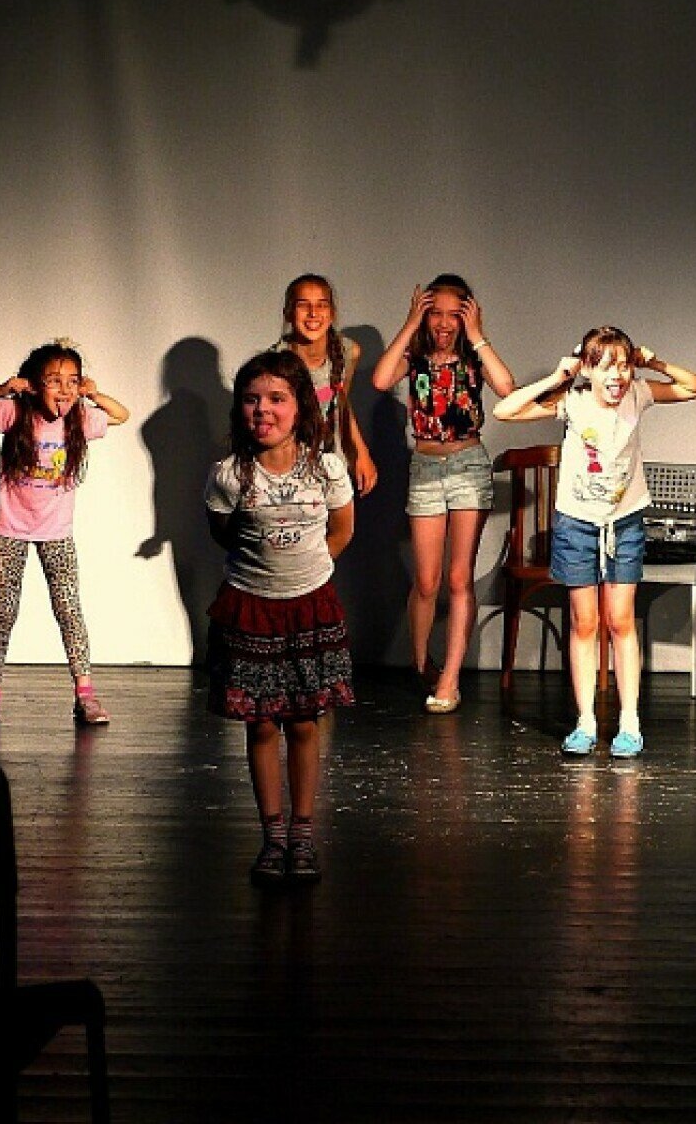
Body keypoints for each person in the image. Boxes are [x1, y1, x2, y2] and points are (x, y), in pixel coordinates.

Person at [493, 327, 696, 757]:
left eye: (623, 366)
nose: (617, 376)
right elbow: (504, 411)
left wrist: (654, 362)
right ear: (588, 369)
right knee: (584, 622)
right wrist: (558, 377)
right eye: (606, 367)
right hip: (577, 523)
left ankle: (629, 723)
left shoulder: (639, 394)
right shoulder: (572, 401)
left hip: (624, 522)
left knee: (621, 620)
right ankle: (586, 722)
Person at [205, 349, 355, 886]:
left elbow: (342, 531)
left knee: (304, 722)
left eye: (276, 398)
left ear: (300, 407)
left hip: (309, 607)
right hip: (251, 607)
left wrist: (305, 575)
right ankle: (272, 836)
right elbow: (223, 534)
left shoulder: (325, 468)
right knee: (263, 722)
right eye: (251, 399)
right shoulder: (229, 475)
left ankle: (302, 832)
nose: (262, 410)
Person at [0, 340, 130, 730]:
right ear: (33, 384)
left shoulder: (80, 418)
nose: (64, 389)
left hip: (56, 531)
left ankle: (85, 694)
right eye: (54, 380)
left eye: (72, 381)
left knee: (69, 610)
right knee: (4, 612)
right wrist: (0, 389)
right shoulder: (15, 412)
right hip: (10, 528)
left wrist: (93, 394)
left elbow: (121, 415)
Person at [370, 274, 515, 713]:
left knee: (458, 578)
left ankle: (450, 679)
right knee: (427, 580)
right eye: (437, 314)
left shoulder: (473, 356)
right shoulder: (415, 357)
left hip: (468, 464)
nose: (445, 324)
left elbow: (506, 388)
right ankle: (422, 665)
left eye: (455, 314)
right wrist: (410, 323)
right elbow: (380, 380)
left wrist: (478, 335)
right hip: (425, 466)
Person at [270, 273, 378, 496]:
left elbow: (342, 404)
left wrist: (361, 452)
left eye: (321, 305)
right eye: (303, 305)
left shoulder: (348, 352)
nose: (313, 313)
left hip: (332, 465)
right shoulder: (276, 362)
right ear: (289, 312)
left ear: (332, 313)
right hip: (289, 470)